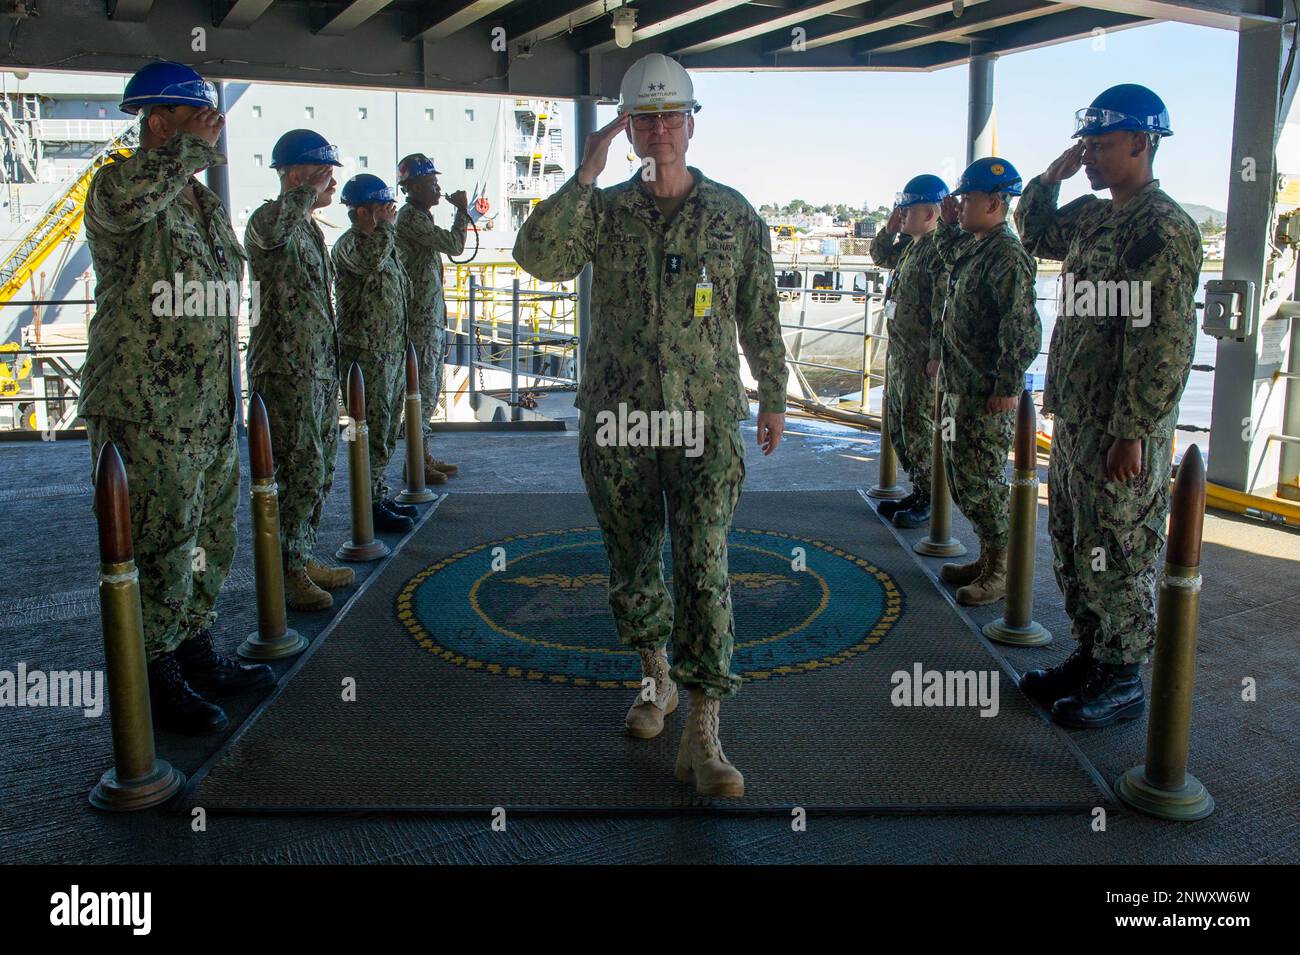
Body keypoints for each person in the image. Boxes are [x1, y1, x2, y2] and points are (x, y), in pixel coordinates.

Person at [513, 53, 788, 798]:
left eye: (671, 115)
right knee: (633, 558)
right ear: (627, 128)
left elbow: (758, 311)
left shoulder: (733, 214)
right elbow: (534, 257)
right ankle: (655, 678)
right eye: (645, 117)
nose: (660, 128)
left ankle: (704, 727)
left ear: (692, 124)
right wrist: (583, 174)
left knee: (703, 556)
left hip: (704, 421)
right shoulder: (601, 213)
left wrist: (773, 395)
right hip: (621, 421)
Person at [80, 61, 272, 734]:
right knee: (160, 542)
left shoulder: (202, 200)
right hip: (147, 407)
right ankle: (151, 672)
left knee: (206, 538)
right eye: (201, 120)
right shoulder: (119, 186)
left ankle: (194, 645)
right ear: (160, 123)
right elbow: (129, 202)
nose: (214, 132)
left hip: (208, 404)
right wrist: (183, 149)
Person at [1015, 85, 1202, 728]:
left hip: (1122, 427)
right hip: (1079, 419)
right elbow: (1034, 230)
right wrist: (1051, 177)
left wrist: (1135, 432)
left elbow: (1165, 342)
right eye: (1085, 143)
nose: (1089, 155)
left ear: (1141, 143)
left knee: (1118, 545)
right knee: (1073, 540)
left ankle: (1121, 675)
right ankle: (1091, 655)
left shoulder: (1163, 228)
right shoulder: (1095, 218)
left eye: (1100, 144)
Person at [926, 157, 1041, 606]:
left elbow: (1023, 327)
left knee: (982, 480)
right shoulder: (977, 246)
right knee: (964, 477)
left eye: (967, 199)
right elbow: (949, 253)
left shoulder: (1007, 255)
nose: (960, 205)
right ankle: (989, 555)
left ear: (994, 202)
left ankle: (1003, 569)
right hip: (962, 385)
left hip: (985, 391)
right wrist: (950, 226)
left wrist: (1007, 386)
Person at [245, 128, 351, 611]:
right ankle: (286, 571)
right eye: (321, 171)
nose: (331, 181)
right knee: (293, 469)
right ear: (292, 174)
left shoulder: (310, 227)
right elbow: (270, 236)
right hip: (284, 370)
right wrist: (303, 192)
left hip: (316, 369)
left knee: (317, 468)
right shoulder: (268, 219)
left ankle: (301, 555)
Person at [871, 174, 957, 529]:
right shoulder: (911, 246)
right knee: (900, 426)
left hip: (922, 357)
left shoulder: (939, 251)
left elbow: (943, 308)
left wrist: (937, 355)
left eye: (908, 208)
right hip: (901, 353)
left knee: (919, 427)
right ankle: (919, 489)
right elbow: (880, 256)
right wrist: (889, 228)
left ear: (932, 212)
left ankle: (931, 499)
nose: (901, 213)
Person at [332, 173, 417, 533]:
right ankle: (366, 506)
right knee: (367, 432)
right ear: (361, 213)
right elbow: (369, 262)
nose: (390, 214)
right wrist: (384, 227)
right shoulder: (351, 244)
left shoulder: (386, 245)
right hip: (365, 356)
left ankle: (377, 493)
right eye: (383, 208)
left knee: (385, 430)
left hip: (389, 350)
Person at [394, 153, 470, 482]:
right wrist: (462, 212)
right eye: (431, 183)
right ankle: (415, 464)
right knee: (421, 394)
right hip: (418, 325)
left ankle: (422, 456)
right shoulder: (412, 218)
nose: (438, 188)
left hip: (428, 321)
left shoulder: (420, 217)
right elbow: (454, 245)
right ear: (412, 187)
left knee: (428, 391)